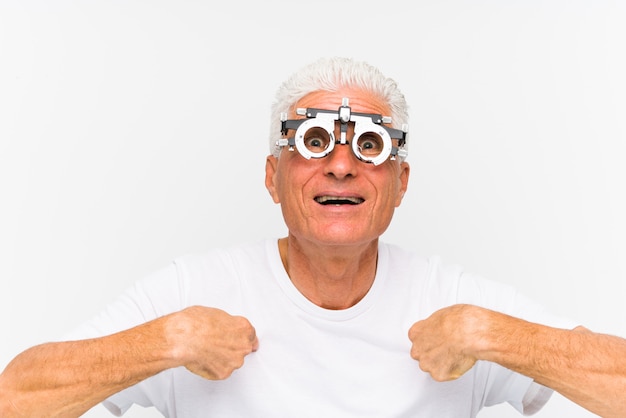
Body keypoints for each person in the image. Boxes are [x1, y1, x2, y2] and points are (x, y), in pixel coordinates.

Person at [0, 56, 625, 418]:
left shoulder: (450, 297)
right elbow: (16, 396)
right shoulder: (193, 291)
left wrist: (494, 335)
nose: (342, 166)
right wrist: (163, 341)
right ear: (274, 177)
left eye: (370, 147)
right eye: (316, 143)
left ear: (400, 183)